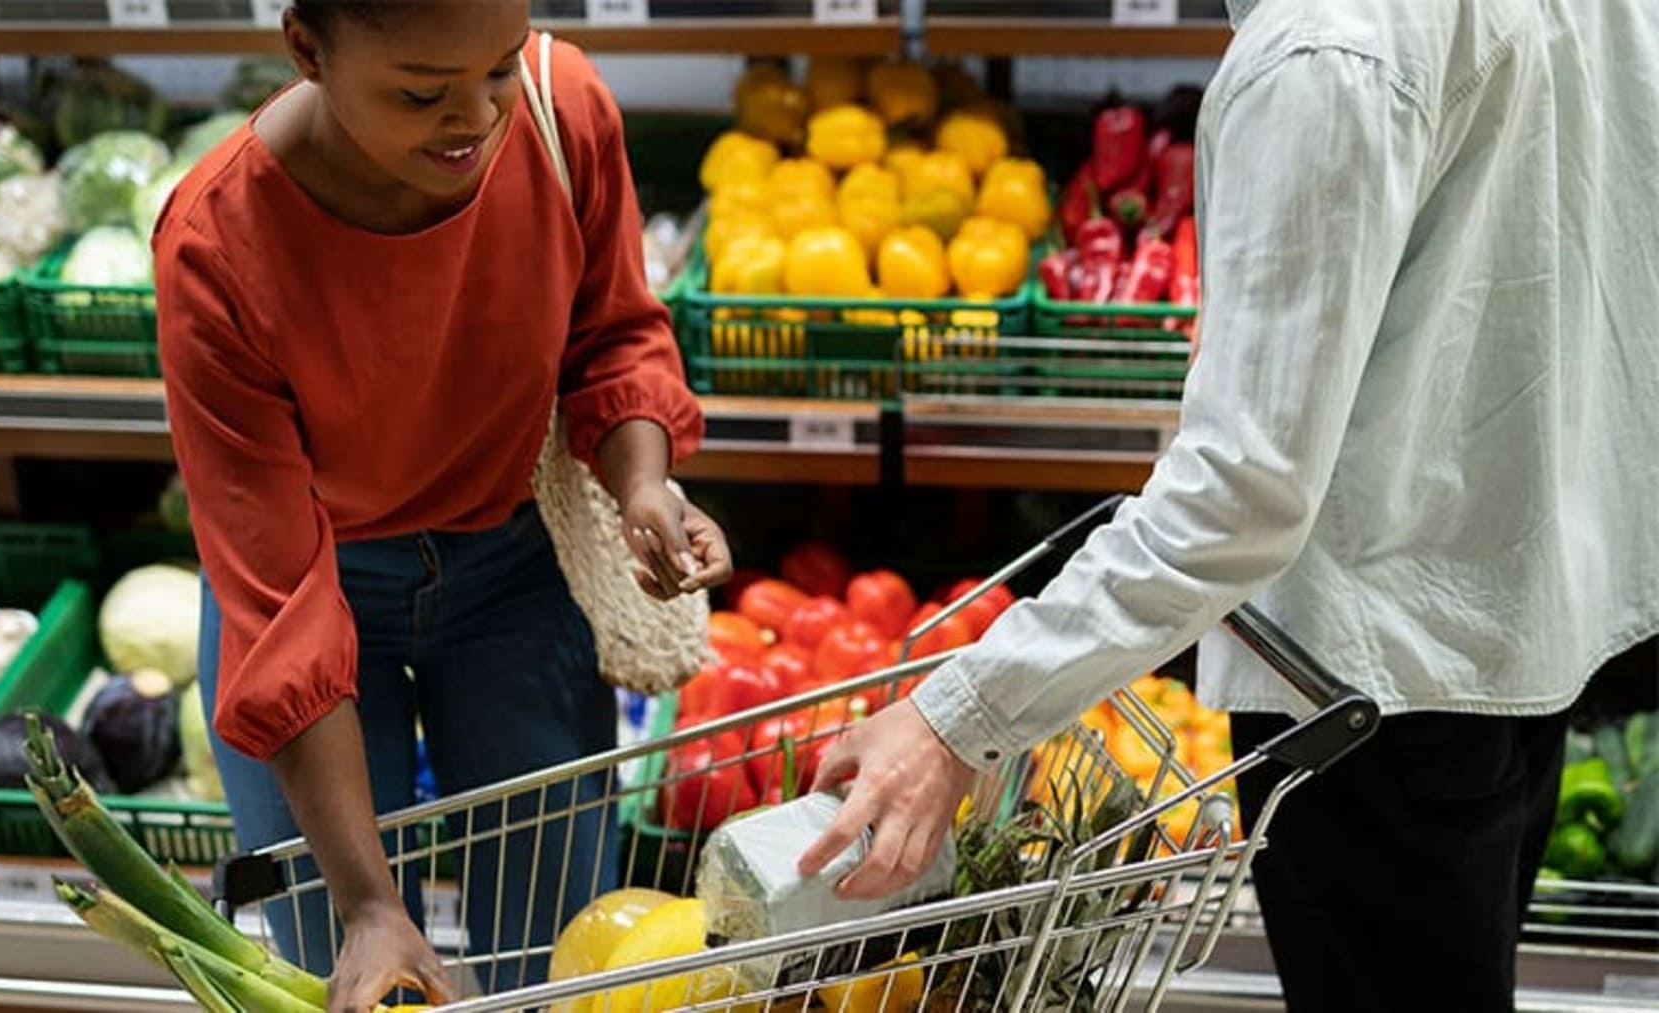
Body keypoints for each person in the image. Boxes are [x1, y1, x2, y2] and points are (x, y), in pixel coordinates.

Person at [800, 0, 1659, 1009]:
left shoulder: (1320, 49)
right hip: (1512, 625)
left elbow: (1238, 495)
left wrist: (959, 720)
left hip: (1367, 685)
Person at [154, 1, 731, 1008]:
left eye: (499, 67)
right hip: (313, 587)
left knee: (554, 957)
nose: (477, 117)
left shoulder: (559, 107)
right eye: (422, 93)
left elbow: (615, 333)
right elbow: (280, 599)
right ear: (307, 49)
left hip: (519, 571)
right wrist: (370, 904)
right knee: (339, 957)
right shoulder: (217, 244)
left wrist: (640, 478)